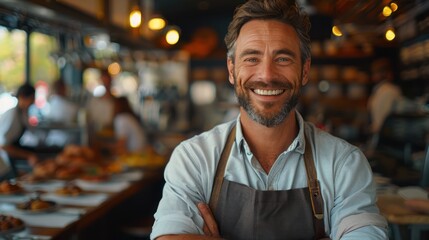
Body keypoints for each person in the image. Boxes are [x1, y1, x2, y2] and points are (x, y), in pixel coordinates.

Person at [151, 0, 388, 239]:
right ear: (232, 70)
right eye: (251, 58)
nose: (266, 75)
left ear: (304, 71)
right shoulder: (195, 158)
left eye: (283, 59)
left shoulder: (344, 163)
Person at [0, 84, 38, 166]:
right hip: (4, 159)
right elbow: (3, 146)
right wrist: (28, 155)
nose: (33, 102)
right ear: (22, 96)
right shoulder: (12, 115)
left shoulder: (22, 113)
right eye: (31, 98)